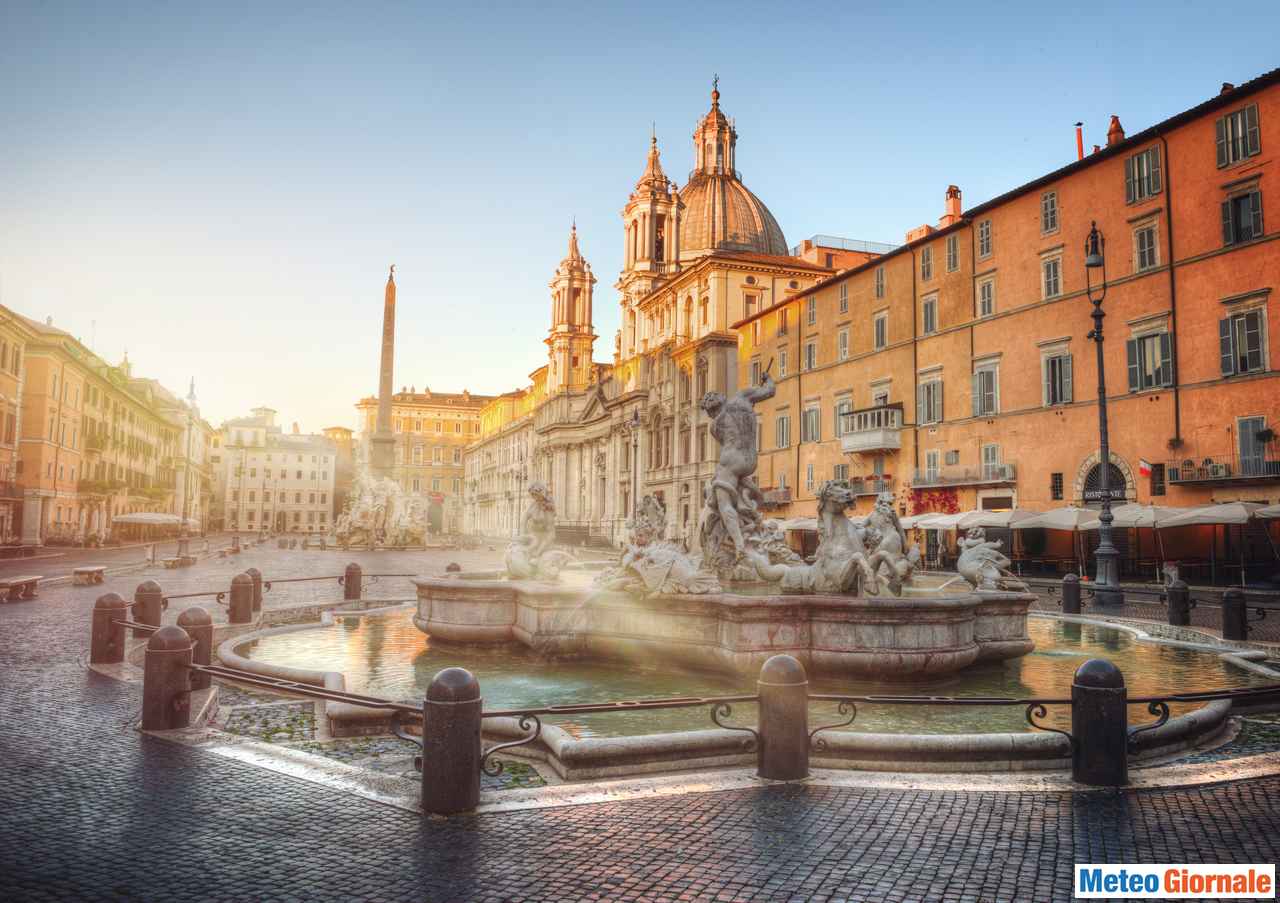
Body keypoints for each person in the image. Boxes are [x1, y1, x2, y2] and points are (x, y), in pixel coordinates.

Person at [699, 365, 775, 560]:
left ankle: (739, 545)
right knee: (736, 484)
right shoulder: (742, 397)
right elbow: (769, 390)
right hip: (750, 460)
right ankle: (757, 499)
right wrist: (767, 378)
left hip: (731, 460)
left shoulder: (715, 426)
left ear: (710, 412)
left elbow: (726, 441)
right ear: (723, 398)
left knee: (723, 503)